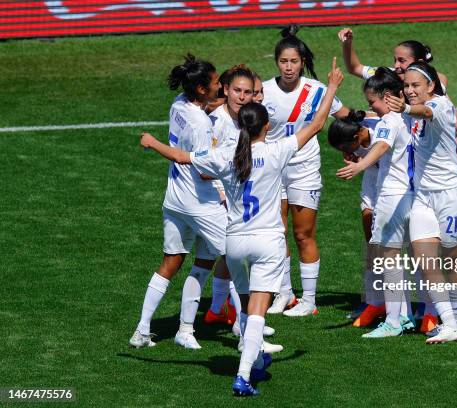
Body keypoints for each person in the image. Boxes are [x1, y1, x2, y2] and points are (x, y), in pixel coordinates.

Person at [140, 57, 344, 396]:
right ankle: (244, 374)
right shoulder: (278, 150)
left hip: (234, 243)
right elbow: (318, 124)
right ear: (266, 127)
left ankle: (253, 354)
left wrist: (152, 143)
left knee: (247, 304)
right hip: (267, 244)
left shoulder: (227, 155)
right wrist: (333, 86)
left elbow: (180, 157)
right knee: (258, 313)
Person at [129, 54, 226, 350]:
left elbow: (201, 112)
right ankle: (251, 333)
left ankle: (146, 330)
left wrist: (220, 104)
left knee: (172, 262)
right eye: (215, 83)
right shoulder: (201, 125)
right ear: (200, 89)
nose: (220, 86)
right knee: (237, 258)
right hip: (202, 204)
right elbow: (204, 169)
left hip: (174, 199)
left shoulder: (179, 105)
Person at [263, 24, 350, 317]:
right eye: (284, 62)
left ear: (303, 62)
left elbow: (346, 117)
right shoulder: (263, 90)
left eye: (294, 62)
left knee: (303, 235)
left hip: (304, 170)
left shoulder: (316, 90)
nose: (289, 68)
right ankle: (284, 293)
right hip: (273, 171)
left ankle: (309, 300)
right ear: (277, 62)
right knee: (277, 233)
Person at [386, 61, 457, 343]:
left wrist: (407, 108)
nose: (410, 91)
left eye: (416, 86)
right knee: (425, 261)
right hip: (424, 196)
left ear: (431, 86)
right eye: (407, 86)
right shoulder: (413, 105)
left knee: (452, 262)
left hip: (452, 196)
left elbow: (425, 110)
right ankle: (448, 323)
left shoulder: (442, 106)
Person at [336, 67, 417, 338]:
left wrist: (361, 167)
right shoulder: (410, 118)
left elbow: (381, 147)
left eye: (372, 101)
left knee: (388, 258)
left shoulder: (388, 121)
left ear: (385, 96)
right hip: (412, 194)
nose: (370, 107)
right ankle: (404, 314)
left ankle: (394, 320)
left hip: (391, 196)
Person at [208, 64, 282, 354]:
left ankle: (243, 325)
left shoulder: (245, 119)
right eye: (238, 91)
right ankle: (228, 317)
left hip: (237, 205)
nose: (243, 96)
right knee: (216, 259)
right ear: (226, 90)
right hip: (220, 202)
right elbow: (207, 167)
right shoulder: (217, 122)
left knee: (231, 260)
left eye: (249, 92)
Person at [337, 27, 457, 175]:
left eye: (402, 61)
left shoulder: (432, 84)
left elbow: (455, 124)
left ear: (419, 63)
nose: (396, 66)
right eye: (395, 60)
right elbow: (354, 67)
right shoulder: (387, 75)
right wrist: (347, 43)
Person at [328, 111, 387, 327]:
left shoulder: (381, 129)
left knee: (393, 245)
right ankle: (374, 301)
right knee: (371, 242)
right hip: (372, 183)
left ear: (356, 138)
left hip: (393, 185)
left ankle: (409, 304)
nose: (345, 153)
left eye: (345, 148)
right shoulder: (354, 128)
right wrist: (357, 157)